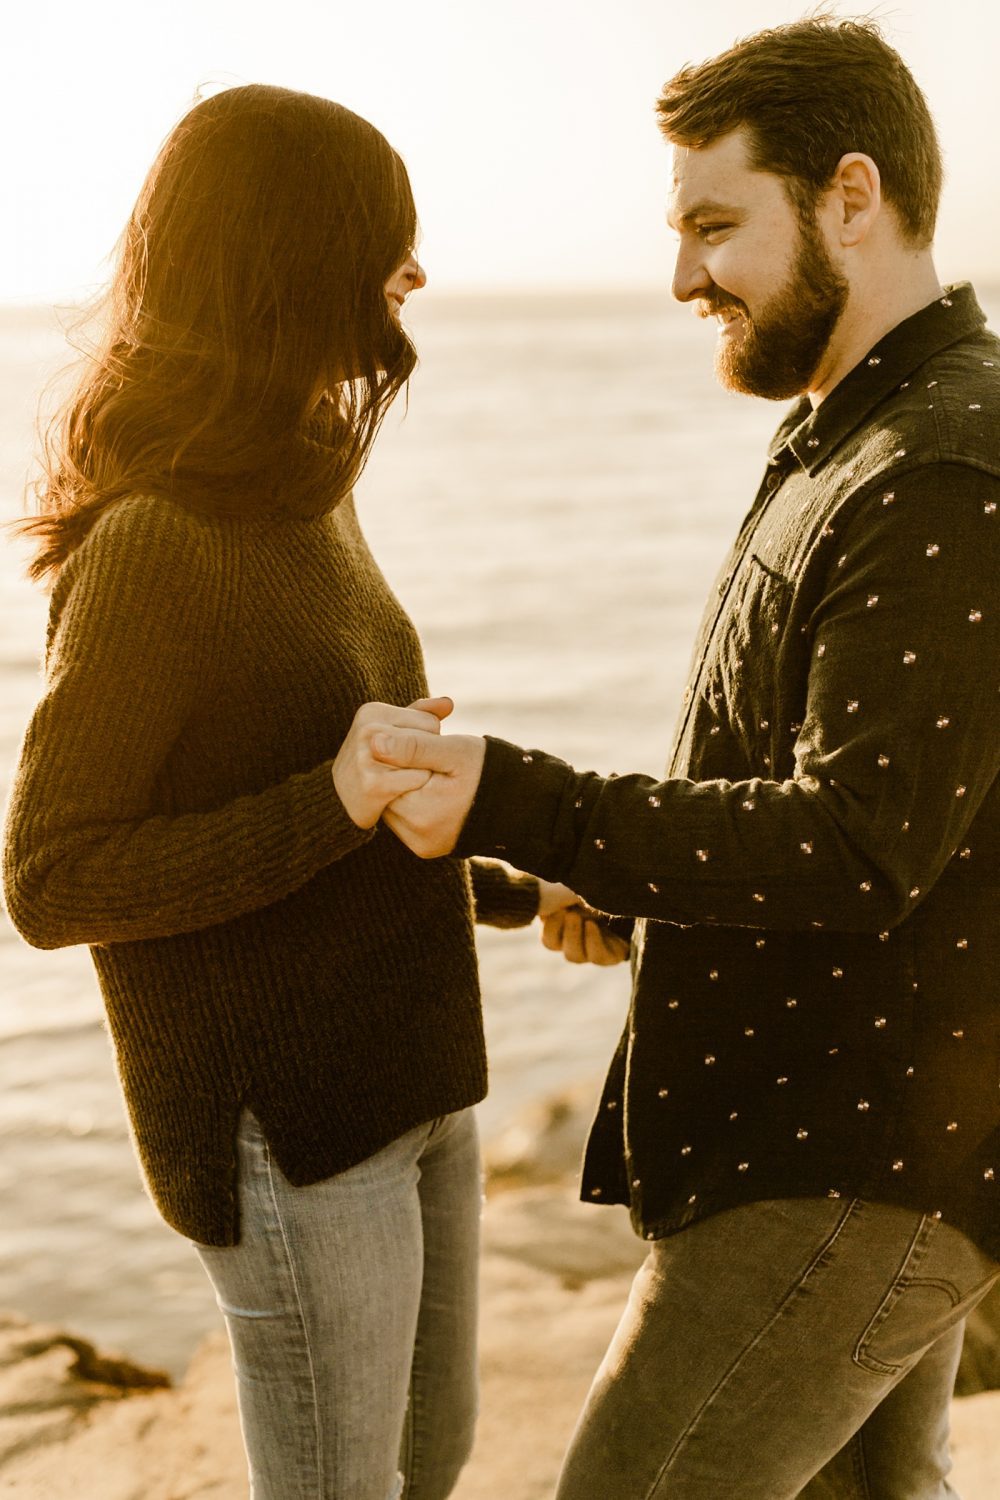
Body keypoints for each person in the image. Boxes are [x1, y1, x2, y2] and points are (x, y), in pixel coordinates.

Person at [364, 18, 1000, 1498]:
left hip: (850, 1156)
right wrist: (612, 880)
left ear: (853, 199)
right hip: (843, 1132)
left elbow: (861, 842)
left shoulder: (943, 460)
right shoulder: (858, 435)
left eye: (717, 227)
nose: (680, 278)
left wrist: (523, 797)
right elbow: (889, 810)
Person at [0, 84, 602, 1500]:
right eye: (388, 239)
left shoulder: (303, 480)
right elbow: (51, 877)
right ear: (293, 254)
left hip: (420, 1072)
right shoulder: (154, 541)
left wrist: (516, 882)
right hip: (286, 1131)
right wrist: (327, 802)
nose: (418, 274)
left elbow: (351, 789)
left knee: (430, 1459)